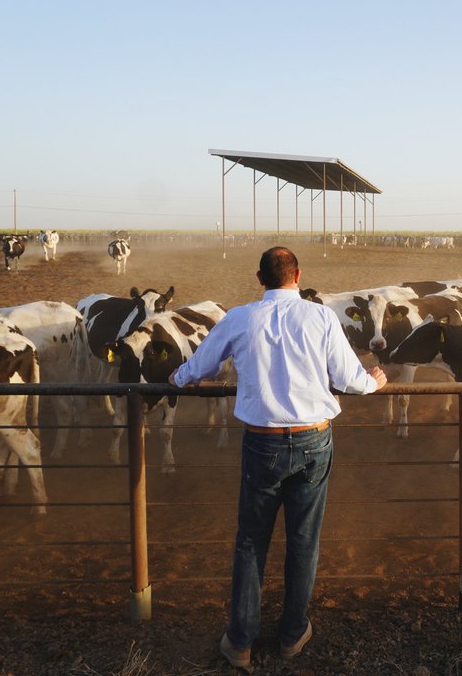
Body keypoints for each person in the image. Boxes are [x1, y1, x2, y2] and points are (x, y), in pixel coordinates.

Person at [170, 246, 387, 670]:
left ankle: (241, 640)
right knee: (304, 541)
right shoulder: (321, 316)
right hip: (313, 441)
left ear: (259, 278)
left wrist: (176, 377)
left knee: (251, 542)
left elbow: (201, 366)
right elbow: (348, 379)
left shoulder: (239, 317)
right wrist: (374, 381)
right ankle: (291, 636)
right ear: (298, 276)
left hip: (262, 443)